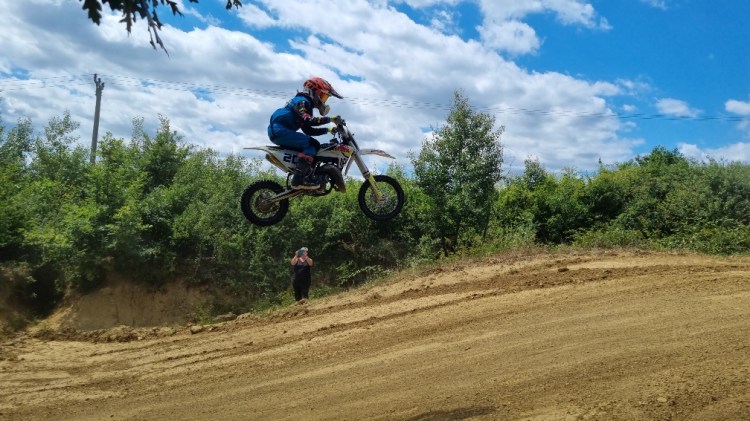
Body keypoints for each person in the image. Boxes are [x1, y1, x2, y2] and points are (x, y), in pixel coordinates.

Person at [267, 77, 343, 190]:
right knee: (313, 144)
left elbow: (308, 130)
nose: (323, 101)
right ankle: (299, 179)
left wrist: (328, 130)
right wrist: (330, 119)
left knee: (313, 144)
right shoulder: (302, 101)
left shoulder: (305, 104)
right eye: (323, 96)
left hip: (279, 131)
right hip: (280, 130)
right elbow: (309, 120)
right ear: (315, 92)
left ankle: (308, 175)